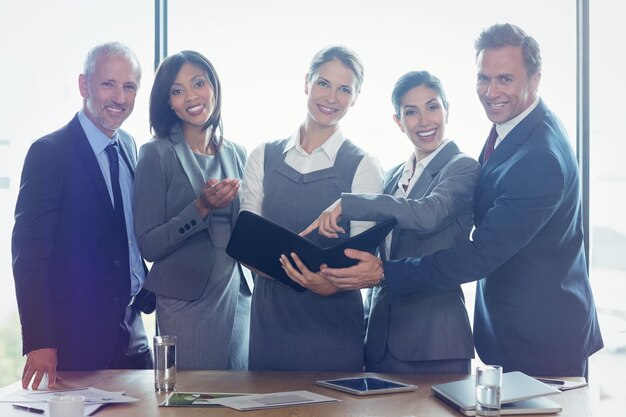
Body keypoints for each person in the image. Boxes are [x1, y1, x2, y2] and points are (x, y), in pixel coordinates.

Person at [317, 23, 604, 378]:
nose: (490, 91)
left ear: (535, 78)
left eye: (505, 79)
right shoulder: (515, 126)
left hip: (542, 336)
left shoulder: (538, 158)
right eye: (483, 79)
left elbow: (480, 252)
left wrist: (383, 273)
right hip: (513, 329)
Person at [295, 71, 479, 374]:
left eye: (432, 107)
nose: (424, 121)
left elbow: (428, 213)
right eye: (411, 112)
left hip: (434, 341)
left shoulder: (462, 167)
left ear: (447, 110)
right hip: (380, 340)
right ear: (398, 121)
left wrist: (349, 203)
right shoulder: (394, 175)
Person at [12, 42, 152, 390]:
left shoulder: (130, 146)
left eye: (129, 86)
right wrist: (40, 340)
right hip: (75, 339)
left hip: (132, 332)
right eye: (108, 84)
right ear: (84, 85)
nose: (119, 97)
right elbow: (29, 253)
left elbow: (128, 236)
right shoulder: (49, 153)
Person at [240, 45, 384, 371]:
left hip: (334, 330)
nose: (331, 97)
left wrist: (329, 285)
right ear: (307, 83)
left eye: (344, 89)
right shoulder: (261, 157)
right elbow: (247, 243)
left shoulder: (364, 166)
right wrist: (300, 275)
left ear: (356, 97)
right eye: (323, 83)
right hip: (270, 327)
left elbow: (365, 263)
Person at [134, 50, 253, 370]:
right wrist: (200, 207)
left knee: (237, 397)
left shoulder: (237, 152)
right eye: (177, 90)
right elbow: (148, 244)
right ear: (168, 101)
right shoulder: (155, 154)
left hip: (237, 296)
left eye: (198, 83)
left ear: (213, 86)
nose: (191, 96)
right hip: (186, 303)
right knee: (191, 398)